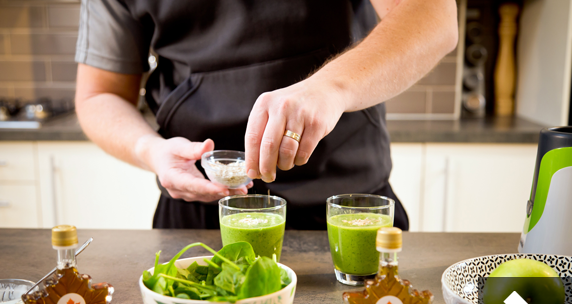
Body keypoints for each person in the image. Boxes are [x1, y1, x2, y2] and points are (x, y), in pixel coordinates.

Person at [74, 0, 458, 230]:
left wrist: (330, 87)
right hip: (199, 220)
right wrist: (150, 151)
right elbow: (99, 93)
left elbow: (433, 17)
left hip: (347, 208)